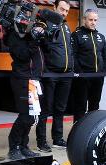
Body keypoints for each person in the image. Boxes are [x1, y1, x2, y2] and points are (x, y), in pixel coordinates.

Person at [36, 0, 73, 152]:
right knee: (46, 109)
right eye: (62, 9)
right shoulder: (45, 23)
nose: (64, 13)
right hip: (50, 73)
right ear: (54, 8)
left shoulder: (66, 26)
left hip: (66, 75)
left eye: (67, 11)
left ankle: (57, 139)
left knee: (60, 109)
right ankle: (41, 141)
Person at [4, 27, 43, 159]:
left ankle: (22, 146)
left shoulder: (30, 35)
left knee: (32, 116)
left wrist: (38, 36)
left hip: (34, 81)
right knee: (25, 115)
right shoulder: (14, 36)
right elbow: (23, 55)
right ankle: (14, 147)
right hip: (21, 79)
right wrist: (34, 41)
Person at [71, 9, 106, 123]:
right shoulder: (76, 35)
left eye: (95, 20)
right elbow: (73, 55)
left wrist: (103, 72)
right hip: (82, 78)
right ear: (84, 20)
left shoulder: (100, 36)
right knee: (80, 107)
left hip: (98, 78)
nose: (93, 22)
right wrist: (81, 73)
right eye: (90, 19)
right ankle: (77, 132)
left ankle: (92, 130)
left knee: (95, 106)